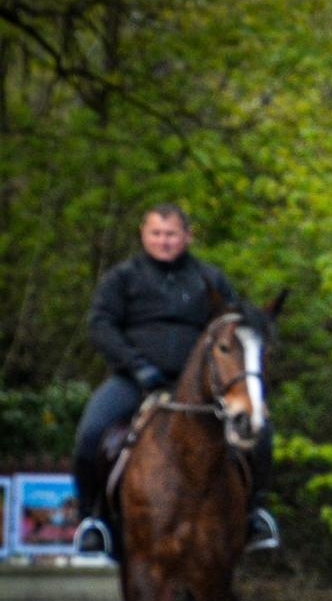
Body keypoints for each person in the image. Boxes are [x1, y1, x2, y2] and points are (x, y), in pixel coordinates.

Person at [70, 203, 278, 557]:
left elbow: (234, 326)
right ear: (143, 234)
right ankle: (92, 520)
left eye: (171, 234)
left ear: (187, 236)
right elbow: (101, 327)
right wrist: (137, 366)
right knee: (91, 433)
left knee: (261, 431)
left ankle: (255, 513)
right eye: (156, 234)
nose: (163, 242)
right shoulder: (122, 279)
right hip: (134, 380)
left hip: (200, 385)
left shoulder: (210, 280)